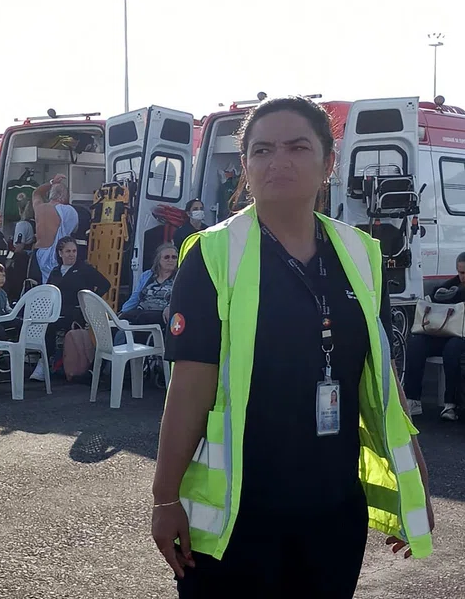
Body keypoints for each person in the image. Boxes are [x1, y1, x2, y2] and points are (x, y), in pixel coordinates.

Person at [153, 97, 433, 597]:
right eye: (261, 150)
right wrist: (164, 498)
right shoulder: (213, 256)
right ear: (245, 167)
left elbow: (383, 378)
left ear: (329, 163)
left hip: (332, 513)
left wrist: (416, 478)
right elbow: (190, 388)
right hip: (238, 519)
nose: (277, 160)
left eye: (297, 147)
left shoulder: (361, 256)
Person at [32, 237, 109, 382]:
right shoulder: (55, 271)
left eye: (74, 251)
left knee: (49, 326)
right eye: (67, 251)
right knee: (39, 323)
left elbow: (105, 284)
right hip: (57, 311)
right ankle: (47, 361)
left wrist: (88, 301)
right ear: (60, 253)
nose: (71, 254)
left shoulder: (85, 269)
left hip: (76, 312)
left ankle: (44, 364)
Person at [402, 252, 465, 421]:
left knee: (452, 350)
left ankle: (451, 403)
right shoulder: (448, 287)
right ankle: (413, 399)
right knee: (416, 344)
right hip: (444, 332)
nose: (462, 277)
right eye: (460, 272)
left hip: (461, 336)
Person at [119, 243, 178, 330]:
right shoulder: (147, 275)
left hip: (162, 313)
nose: (170, 260)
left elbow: (182, 298)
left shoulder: (179, 277)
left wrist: (170, 307)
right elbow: (135, 297)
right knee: (121, 321)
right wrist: (122, 312)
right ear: (158, 260)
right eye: (166, 257)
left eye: (174, 257)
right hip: (141, 310)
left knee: (143, 317)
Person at [32, 175, 78, 284]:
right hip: (56, 255)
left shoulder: (39, 208)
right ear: (64, 197)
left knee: (37, 287)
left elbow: (36, 193)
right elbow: (74, 230)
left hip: (38, 253)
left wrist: (51, 182)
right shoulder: (68, 210)